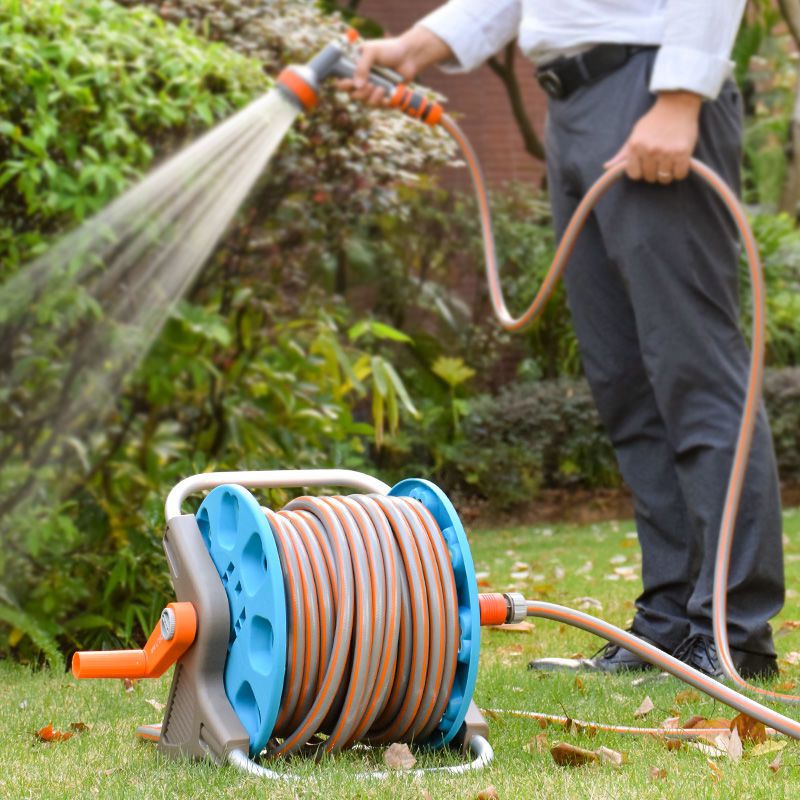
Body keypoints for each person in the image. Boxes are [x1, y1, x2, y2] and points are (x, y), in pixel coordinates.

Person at [343, 1, 784, 678]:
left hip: (649, 88)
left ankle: (731, 635)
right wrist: (414, 48)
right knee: (624, 384)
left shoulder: (670, 92)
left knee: (693, 372)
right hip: (574, 106)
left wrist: (681, 93)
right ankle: (667, 627)